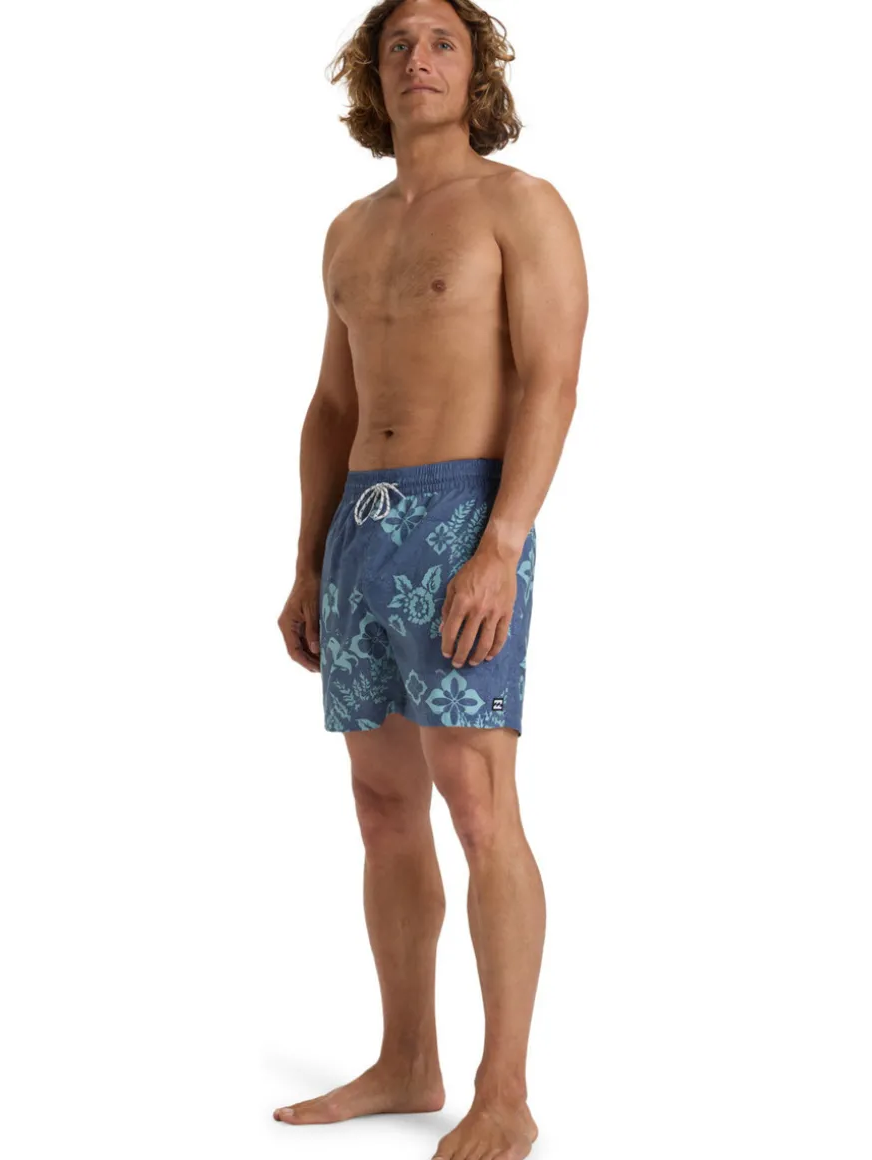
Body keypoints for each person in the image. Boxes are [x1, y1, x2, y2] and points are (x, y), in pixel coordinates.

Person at [275, 1, 588, 1156]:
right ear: (371, 75)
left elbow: (551, 379)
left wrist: (499, 545)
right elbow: (332, 405)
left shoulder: (521, 206)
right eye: (397, 45)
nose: (418, 59)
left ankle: (504, 1090)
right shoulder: (349, 231)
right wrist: (307, 558)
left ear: (475, 71)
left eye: (442, 42)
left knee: (476, 796)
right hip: (359, 525)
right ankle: (407, 1056)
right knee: (381, 804)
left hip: (464, 518)